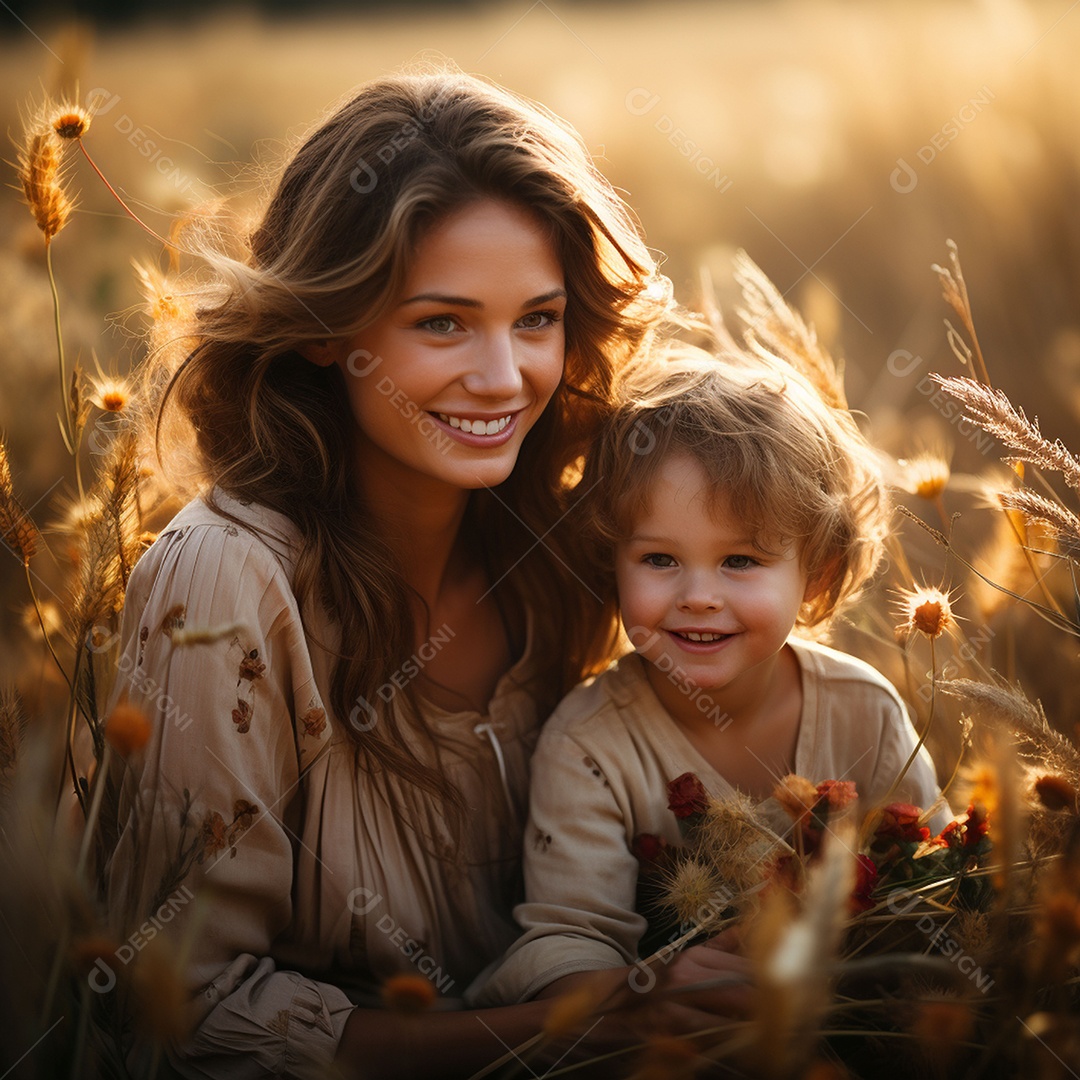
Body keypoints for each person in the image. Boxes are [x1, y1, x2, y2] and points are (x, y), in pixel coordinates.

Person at [100, 68, 711, 1079]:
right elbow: (181, 1016)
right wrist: (569, 1036)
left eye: (537, 319)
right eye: (442, 322)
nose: (502, 375)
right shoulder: (226, 582)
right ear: (324, 329)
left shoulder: (567, 553)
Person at [471, 348, 944, 1008]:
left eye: (740, 561)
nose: (697, 596)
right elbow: (570, 941)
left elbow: (940, 882)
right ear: (613, 563)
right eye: (660, 558)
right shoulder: (590, 745)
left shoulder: (864, 711)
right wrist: (647, 992)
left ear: (819, 573)